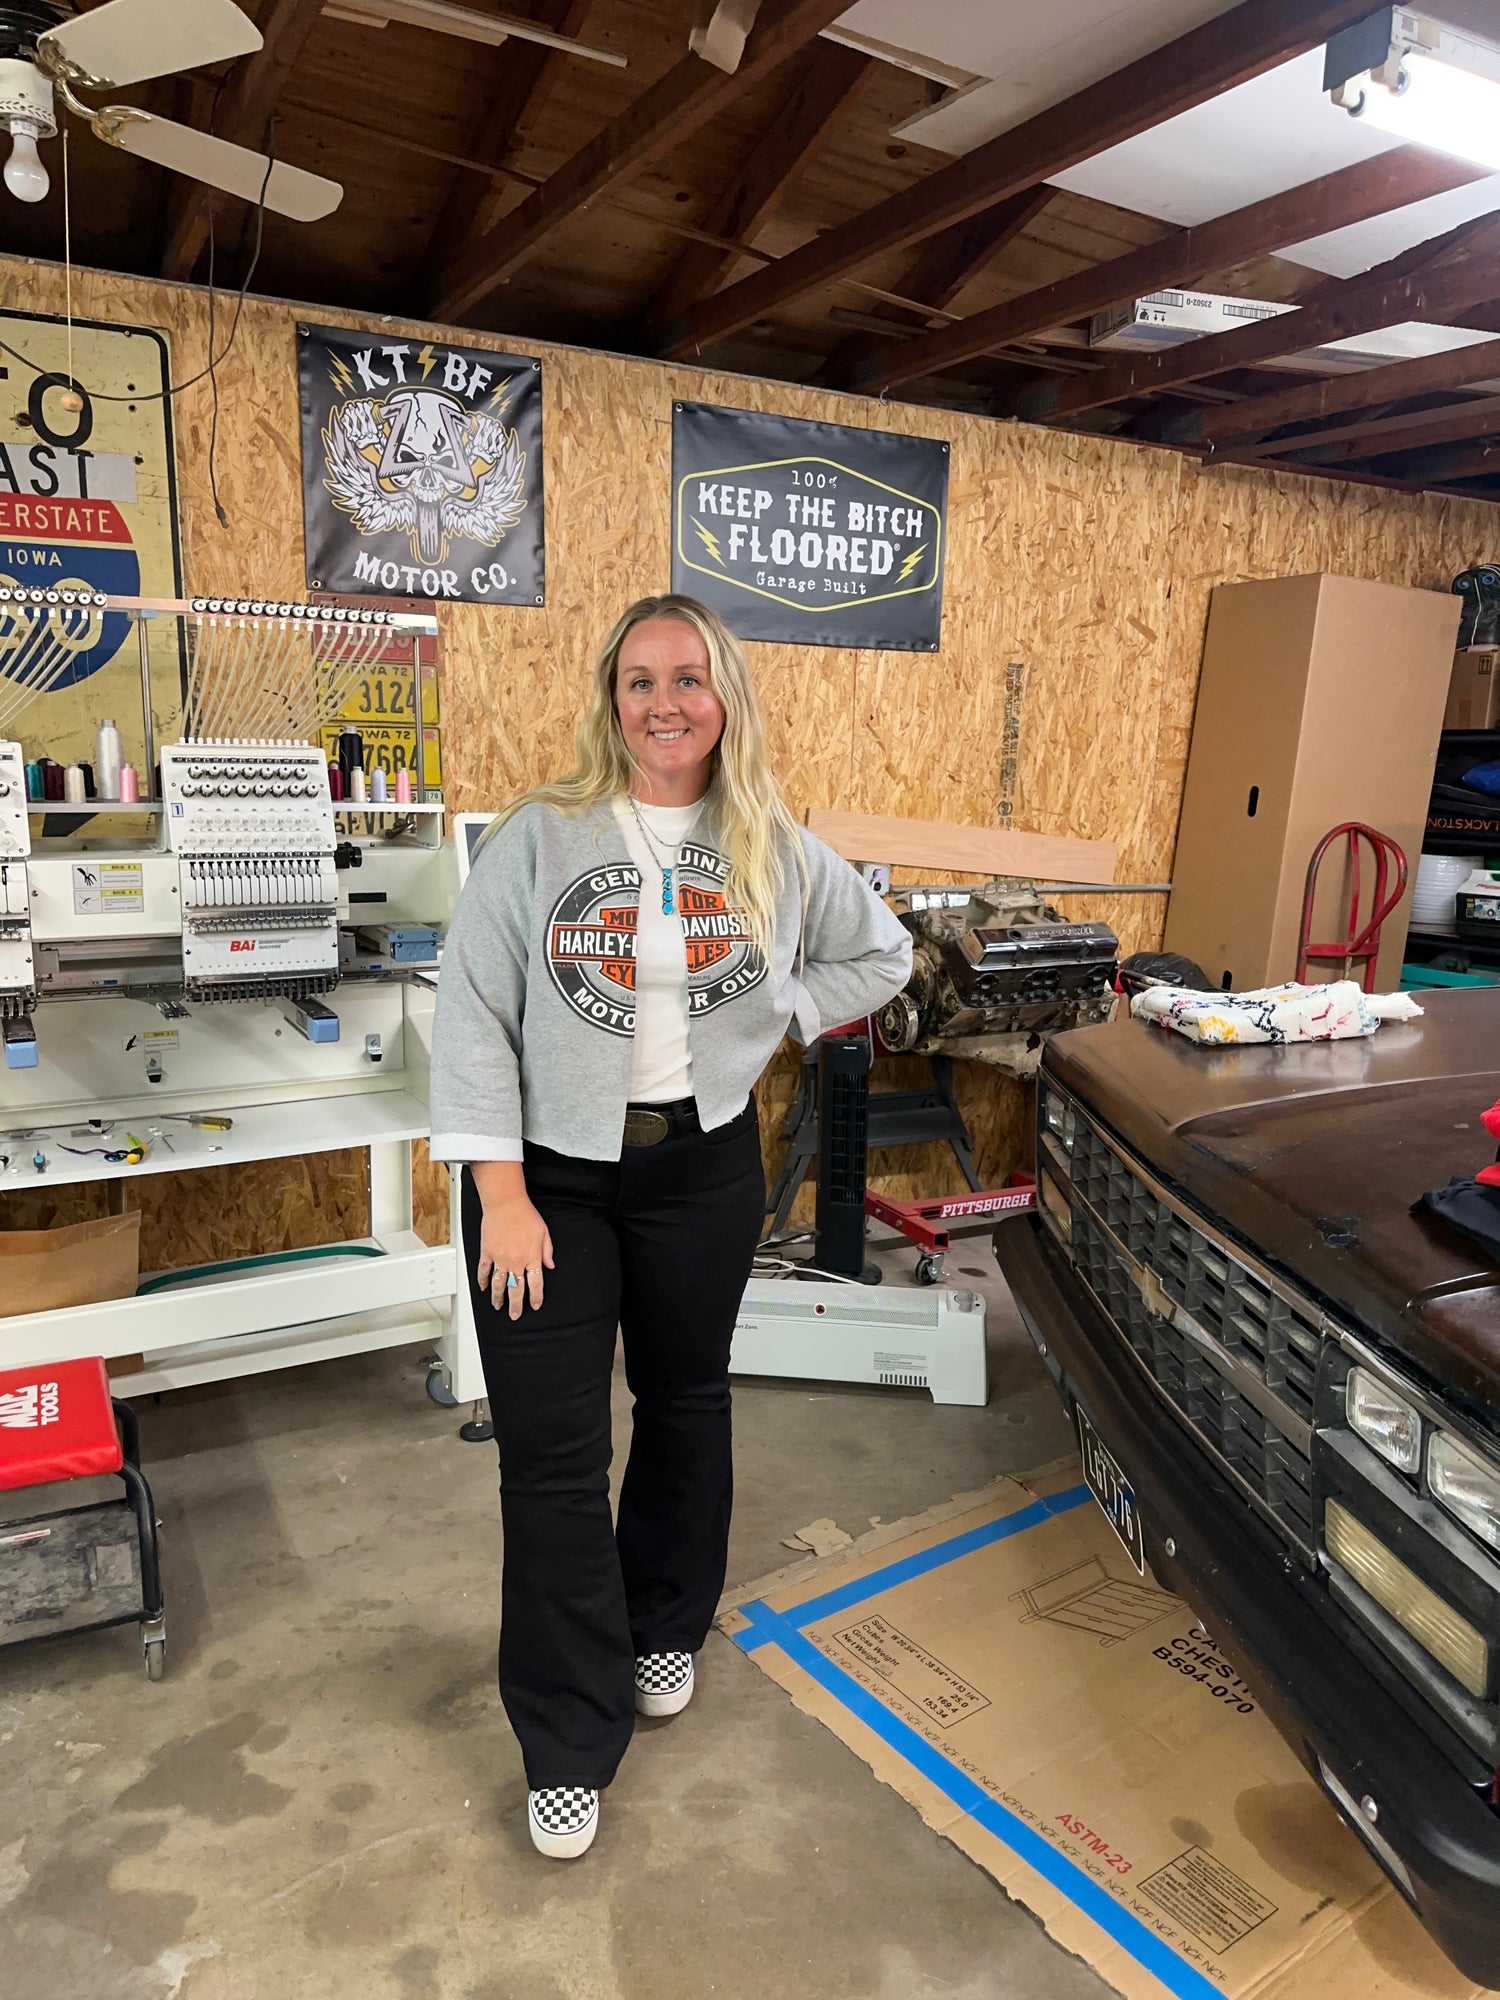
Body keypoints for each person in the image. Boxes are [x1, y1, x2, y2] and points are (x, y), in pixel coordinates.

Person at [428, 593, 912, 1859]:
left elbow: (886, 955)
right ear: (611, 698)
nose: (663, 702)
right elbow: (473, 1013)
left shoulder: (771, 844)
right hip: (546, 1183)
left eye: (687, 678)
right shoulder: (540, 835)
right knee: (548, 1452)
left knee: (689, 1403)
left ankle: (661, 1629)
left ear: (724, 697)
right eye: (639, 679)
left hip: (698, 1169)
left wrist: (781, 1010)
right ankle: (566, 1738)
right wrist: (504, 1197)